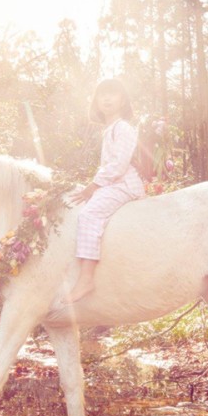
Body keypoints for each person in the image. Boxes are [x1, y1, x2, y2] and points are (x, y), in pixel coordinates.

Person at [63, 78, 145, 304]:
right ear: (96, 101)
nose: (107, 98)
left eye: (113, 94)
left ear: (123, 100)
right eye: (102, 94)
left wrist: (94, 186)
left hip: (124, 184)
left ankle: (86, 278)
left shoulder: (124, 128)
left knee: (89, 214)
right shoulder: (109, 129)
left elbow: (118, 165)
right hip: (113, 183)